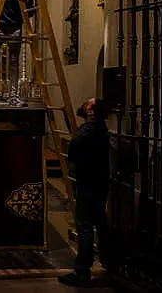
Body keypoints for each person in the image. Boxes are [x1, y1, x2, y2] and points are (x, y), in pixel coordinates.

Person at [58, 97, 111, 287]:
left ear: (91, 112)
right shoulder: (100, 129)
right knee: (100, 222)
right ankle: (109, 261)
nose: (84, 105)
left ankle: (82, 271)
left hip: (89, 183)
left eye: (88, 104)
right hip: (100, 183)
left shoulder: (88, 131)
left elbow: (73, 146)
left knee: (84, 225)